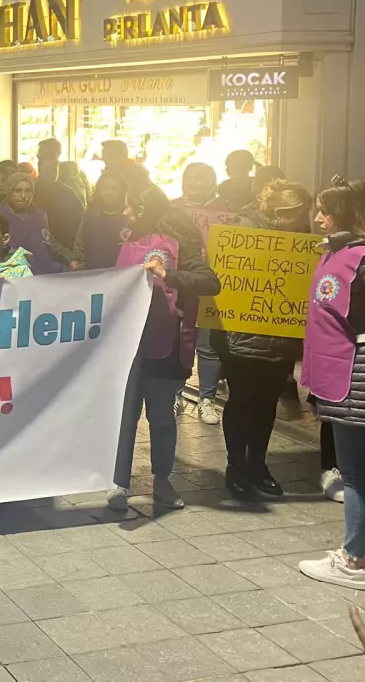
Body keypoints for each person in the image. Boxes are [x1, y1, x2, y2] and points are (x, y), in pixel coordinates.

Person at [107, 183, 221, 512]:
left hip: (165, 346)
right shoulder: (127, 240)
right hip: (128, 347)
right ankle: (118, 483)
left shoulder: (181, 242)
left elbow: (210, 282)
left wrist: (168, 275)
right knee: (125, 417)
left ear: (143, 209)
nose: (125, 212)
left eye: (129, 206)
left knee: (161, 418)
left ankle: (162, 481)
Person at [216, 180, 313, 501]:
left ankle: (257, 464)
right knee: (242, 399)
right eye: (297, 214)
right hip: (240, 337)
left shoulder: (304, 239)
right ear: (277, 212)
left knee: (267, 401)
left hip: (281, 336)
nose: (303, 220)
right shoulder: (242, 228)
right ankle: (236, 466)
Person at [297, 179, 365, 588]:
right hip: (346, 377)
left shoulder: (359, 261)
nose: (319, 218)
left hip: (354, 378)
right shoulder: (339, 253)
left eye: (327, 211)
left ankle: (354, 560)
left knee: (355, 474)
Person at [169, 162, 227, 425]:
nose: (194, 183)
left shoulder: (226, 211)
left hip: (212, 286)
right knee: (180, 341)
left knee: (207, 344)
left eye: (200, 178)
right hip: (181, 284)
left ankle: (207, 399)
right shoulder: (170, 208)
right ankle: (175, 394)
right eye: (189, 178)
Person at [0, 173, 69, 274]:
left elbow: (49, 241)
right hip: (15, 273)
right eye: (18, 191)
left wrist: (70, 257)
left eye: (28, 191)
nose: (23, 196)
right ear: (9, 192)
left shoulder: (40, 215)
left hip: (45, 271)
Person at [70, 172, 130, 271]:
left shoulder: (129, 217)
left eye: (115, 188)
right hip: (94, 274)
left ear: (122, 191)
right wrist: (77, 263)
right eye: (105, 188)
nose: (110, 192)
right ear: (99, 191)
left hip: (122, 273)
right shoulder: (89, 217)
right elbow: (80, 247)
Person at [34, 139, 84, 252]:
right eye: (47, 170)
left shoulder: (68, 192)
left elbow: (80, 221)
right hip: (37, 245)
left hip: (65, 246)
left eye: (54, 170)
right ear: (40, 169)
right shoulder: (30, 190)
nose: (51, 173)